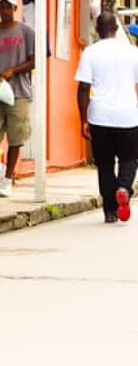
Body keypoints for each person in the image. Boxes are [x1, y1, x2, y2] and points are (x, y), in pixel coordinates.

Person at [75, 12, 138, 223]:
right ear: (117, 29)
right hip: (128, 116)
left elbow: (83, 88)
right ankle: (124, 188)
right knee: (130, 159)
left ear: (96, 30)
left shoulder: (90, 53)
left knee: (104, 164)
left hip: (100, 117)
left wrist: (83, 120)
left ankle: (110, 211)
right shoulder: (132, 52)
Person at [0, 0, 38, 197]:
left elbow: (35, 60)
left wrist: (12, 71)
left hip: (19, 92)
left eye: (8, 6)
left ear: (15, 9)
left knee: (15, 136)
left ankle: (7, 179)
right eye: (1, 6)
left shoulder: (26, 32)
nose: (5, 10)